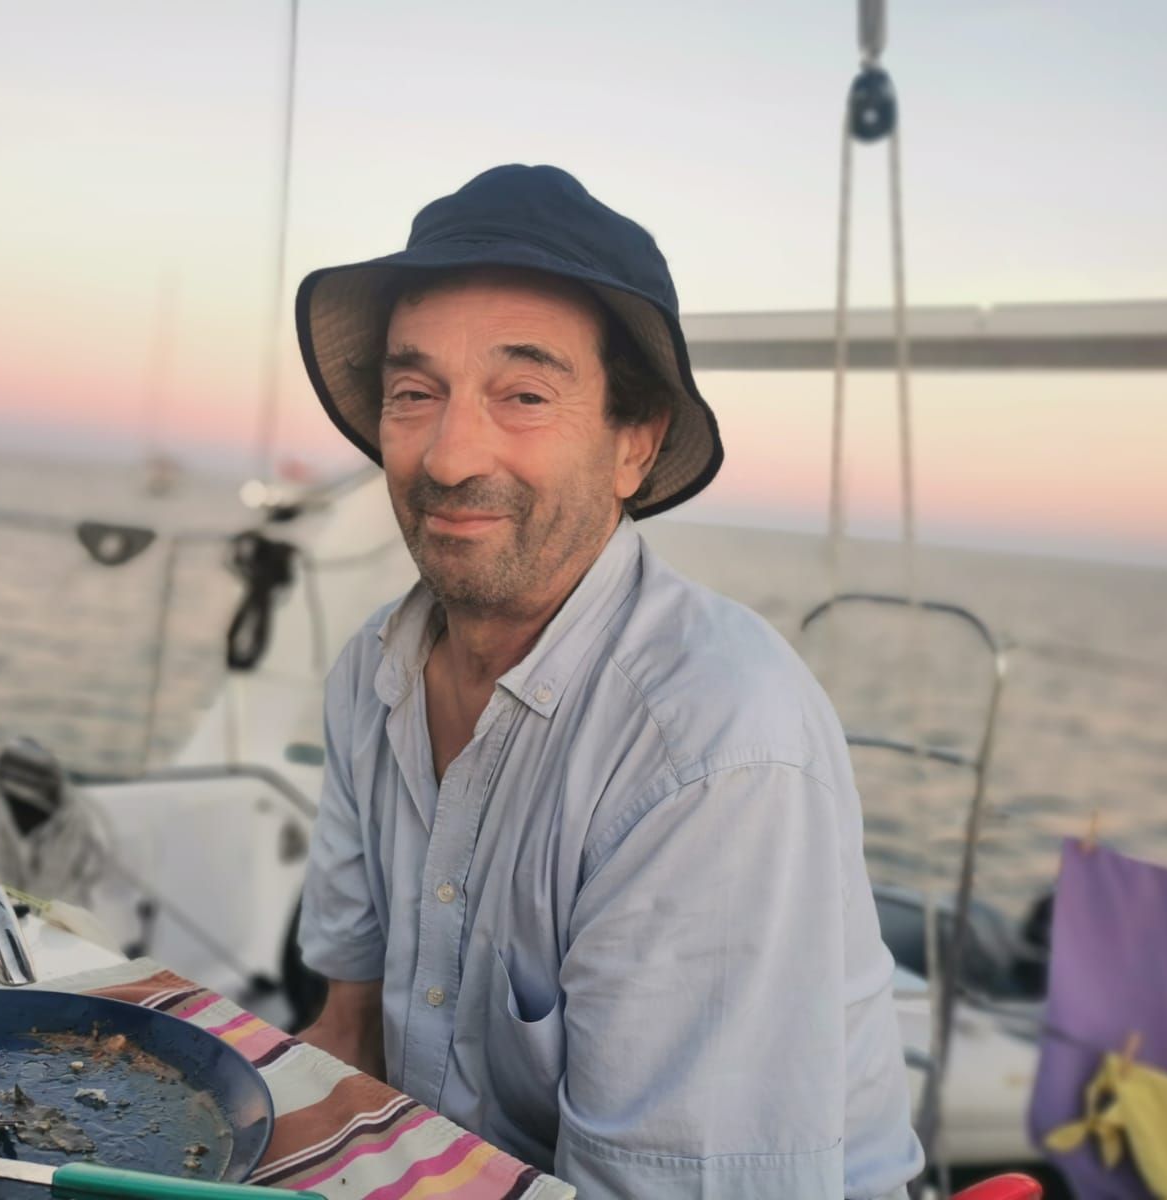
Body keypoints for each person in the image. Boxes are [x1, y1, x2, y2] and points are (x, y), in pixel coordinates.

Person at [291, 164, 923, 1198]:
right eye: (414, 393)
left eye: (524, 396)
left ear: (634, 445)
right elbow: (347, 1031)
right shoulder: (374, 668)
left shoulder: (709, 748)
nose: (448, 456)